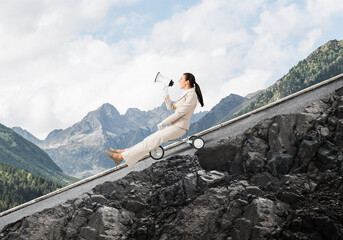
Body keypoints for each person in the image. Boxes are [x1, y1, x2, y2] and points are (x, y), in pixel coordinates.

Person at [105, 72, 204, 167]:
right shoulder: (186, 94)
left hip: (179, 128)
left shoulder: (191, 95)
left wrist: (164, 123)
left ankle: (120, 157)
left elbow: (180, 113)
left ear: (187, 82)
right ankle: (125, 152)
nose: (179, 80)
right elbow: (171, 107)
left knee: (152, 141)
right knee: (148, 139)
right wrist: (165, 93)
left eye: (181, 79)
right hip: (175, 127)